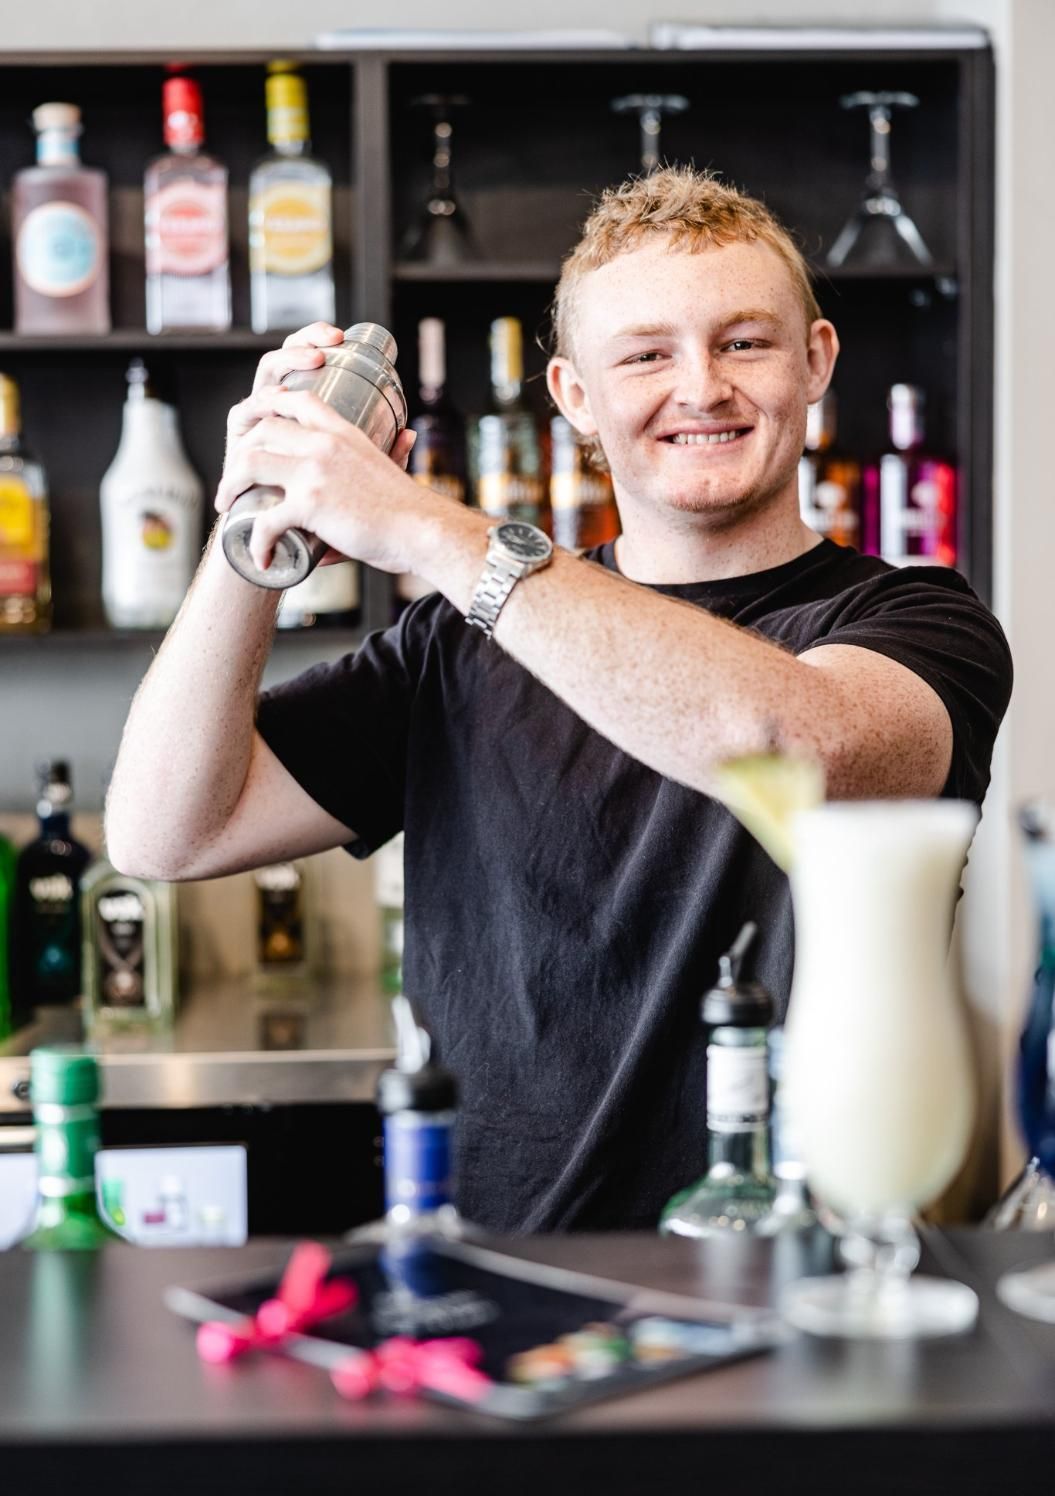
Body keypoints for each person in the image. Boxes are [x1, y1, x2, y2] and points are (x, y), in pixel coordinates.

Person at [106, 165, 1012, 1233]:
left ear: (812, 362)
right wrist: (252, 520)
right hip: (506, 1290)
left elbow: (792, 744)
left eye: (743, 341)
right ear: (573, 397)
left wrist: (421, 526)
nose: (701, 387)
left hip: (802, 1282)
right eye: (644, 355)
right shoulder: (453, 647)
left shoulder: (916, 622)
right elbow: (166, 828)